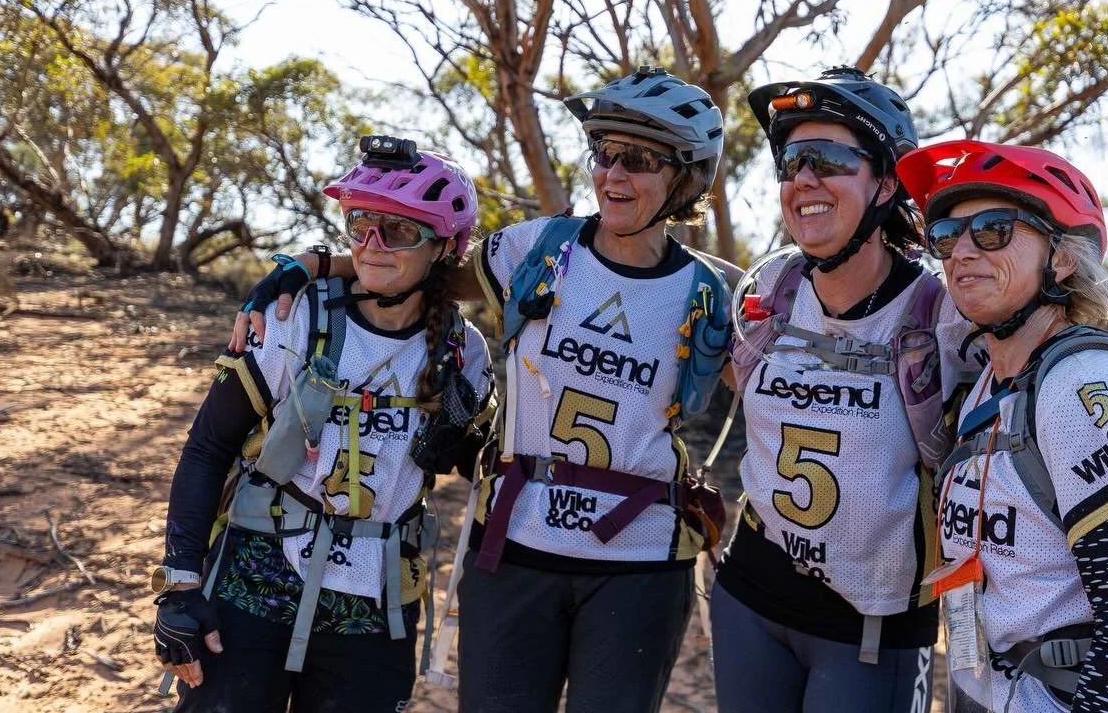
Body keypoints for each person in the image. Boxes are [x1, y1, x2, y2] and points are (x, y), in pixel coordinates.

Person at [230, 67, 735, 713]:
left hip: (640, 559)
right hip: (516, 545)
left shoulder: (707, 296)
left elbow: (772, 393)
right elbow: (425, 273)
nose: (611, 175)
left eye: (636, 159)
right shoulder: (538, 248)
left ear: (687, 177)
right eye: (603, 153)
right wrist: (310, 266)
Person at [154, 137, 494, 713]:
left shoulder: (464, 351)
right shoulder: (296, 318)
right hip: (254, 582)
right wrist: (181, 588)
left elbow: (474, 465)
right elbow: (208, 447)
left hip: (376, 600)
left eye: (400, 231)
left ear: (443, 247)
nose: (372, 246)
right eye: (360, 223)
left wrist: (465, 429)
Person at [894, 139, 1108, 713]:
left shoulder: (1081, 383)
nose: (962, 250)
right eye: (946, 235)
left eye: (993, 229)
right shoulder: (991, 388)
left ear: (1063, 258)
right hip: (991, 686)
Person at [711, 68, 978, 713]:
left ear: (885, 183)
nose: (804, 178)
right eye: (792, 161)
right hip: (749, 597)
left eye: (829, 160)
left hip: (873, 625)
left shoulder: (940, 310)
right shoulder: (772, 287)